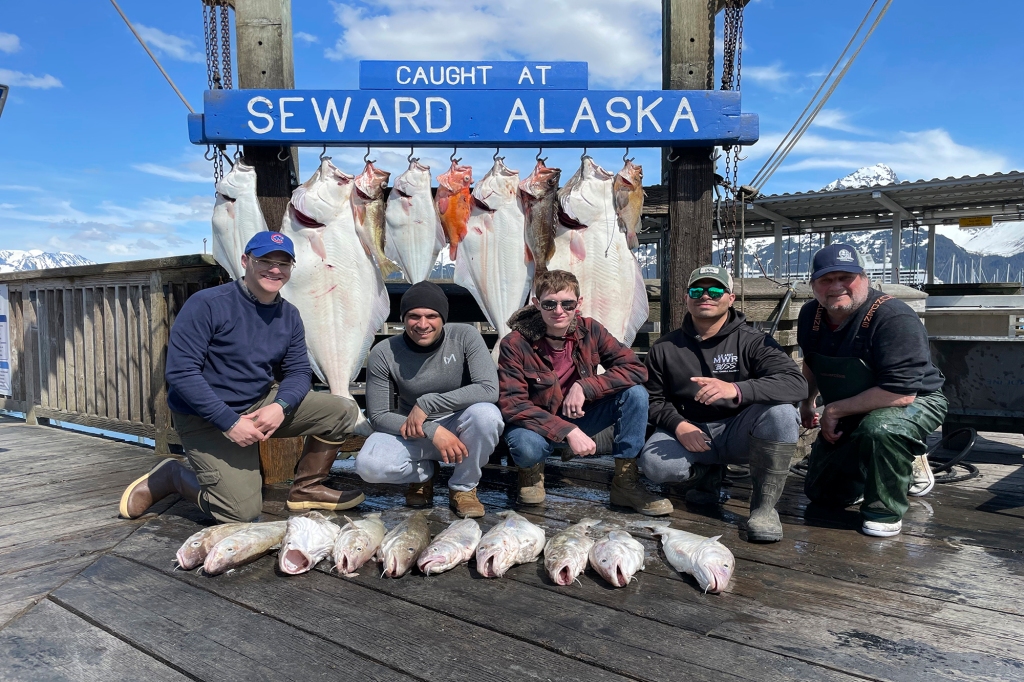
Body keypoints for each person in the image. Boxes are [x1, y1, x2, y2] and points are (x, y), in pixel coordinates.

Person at [119, 231, 364, 523]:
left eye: (284, 264)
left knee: (343, 410)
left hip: (259, 404)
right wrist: (229, 422)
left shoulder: (290, 315)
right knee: (239, 514)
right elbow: (181, 373)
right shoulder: (207, 303)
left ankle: (306, 488)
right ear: (245, 261)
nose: (275, 270)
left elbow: (299, 371)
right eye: (265, 260)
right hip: (206, 416)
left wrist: (280, 406)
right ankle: (173, 476)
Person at [639, 265, 807, 542]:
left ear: (731, 298)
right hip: (690, 431)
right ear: (686, 298)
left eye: (716, 290)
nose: (706, 296)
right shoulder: (664, 348)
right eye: (697, 290)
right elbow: (654, 400)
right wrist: (679, 426)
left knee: (782, 414)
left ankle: (764, 508)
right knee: (657, 466)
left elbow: (796, 384)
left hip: (740, 432)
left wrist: (736, 389)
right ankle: (707, 474)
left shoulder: (755, 341)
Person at [798, 244, 947, 537]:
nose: (836, 286)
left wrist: (834, 410)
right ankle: (876, 468)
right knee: (822, 494)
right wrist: (807, 402)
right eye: (826, 280)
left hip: (916, 399)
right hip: (855, 400)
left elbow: (901, 393)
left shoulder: (893, 316)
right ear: (813, 285)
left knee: (882, 428)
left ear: (864, 279)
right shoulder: (810, 315)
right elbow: (812, 363)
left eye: (846, 277)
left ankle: (885, 509)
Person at [498, 269, 671, 516]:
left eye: (567, 304)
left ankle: (624, 482)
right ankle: (531, 471)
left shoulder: (591, 330)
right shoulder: (515, 343)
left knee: (635, 394)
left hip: (579, 415)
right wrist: (568, 431)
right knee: (526, 448)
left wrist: (585, 386)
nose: (559, 311)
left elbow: (635, 369)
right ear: (536, 304)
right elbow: (513, 405)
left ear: (578, 303)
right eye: (549, 304)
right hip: (534, 425)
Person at [355, 281, 503, 518]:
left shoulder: (466, 336)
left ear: (443, 318)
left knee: (487, 415)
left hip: (459, 426)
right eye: (414, 316)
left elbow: (488, 389)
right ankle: (424, 475)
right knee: (369, 466)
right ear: (403, 318)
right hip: (411, 429)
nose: (422, 325)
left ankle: (463, 488)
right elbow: (379, 416)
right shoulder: (383, 352)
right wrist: (430, 428)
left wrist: (427, 403)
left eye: (431, 316)